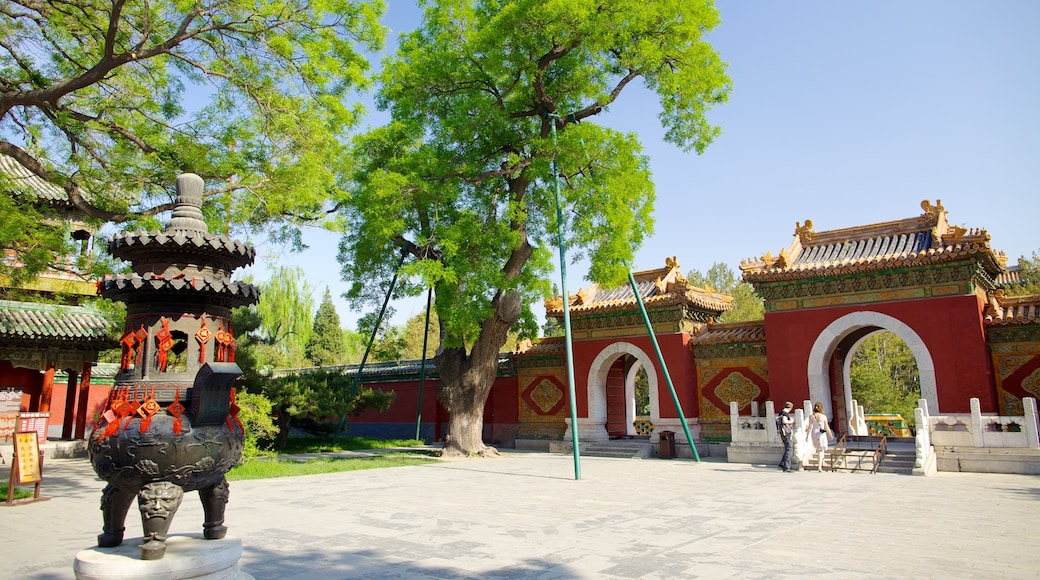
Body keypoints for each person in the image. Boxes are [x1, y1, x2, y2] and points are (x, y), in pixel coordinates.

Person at [807, 402, 835, 471]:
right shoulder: (823, 417)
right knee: (821, 450)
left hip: (814, 433)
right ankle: (819, 466)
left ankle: (822, 461)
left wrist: (807, 436)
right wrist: (830, 434)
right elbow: (826, 427)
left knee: (819, 449)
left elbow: (810, 427)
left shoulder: (811, 416)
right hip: (821, 434)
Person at [777, 402, 795, 472]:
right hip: (786, 433)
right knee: (789, 449)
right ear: (790, 408)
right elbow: (784, 421)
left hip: (782, 432)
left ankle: (782, 463)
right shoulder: (784, 414)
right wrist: (791, 421)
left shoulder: (780, 413)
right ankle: (786, 466)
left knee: (787, 448)